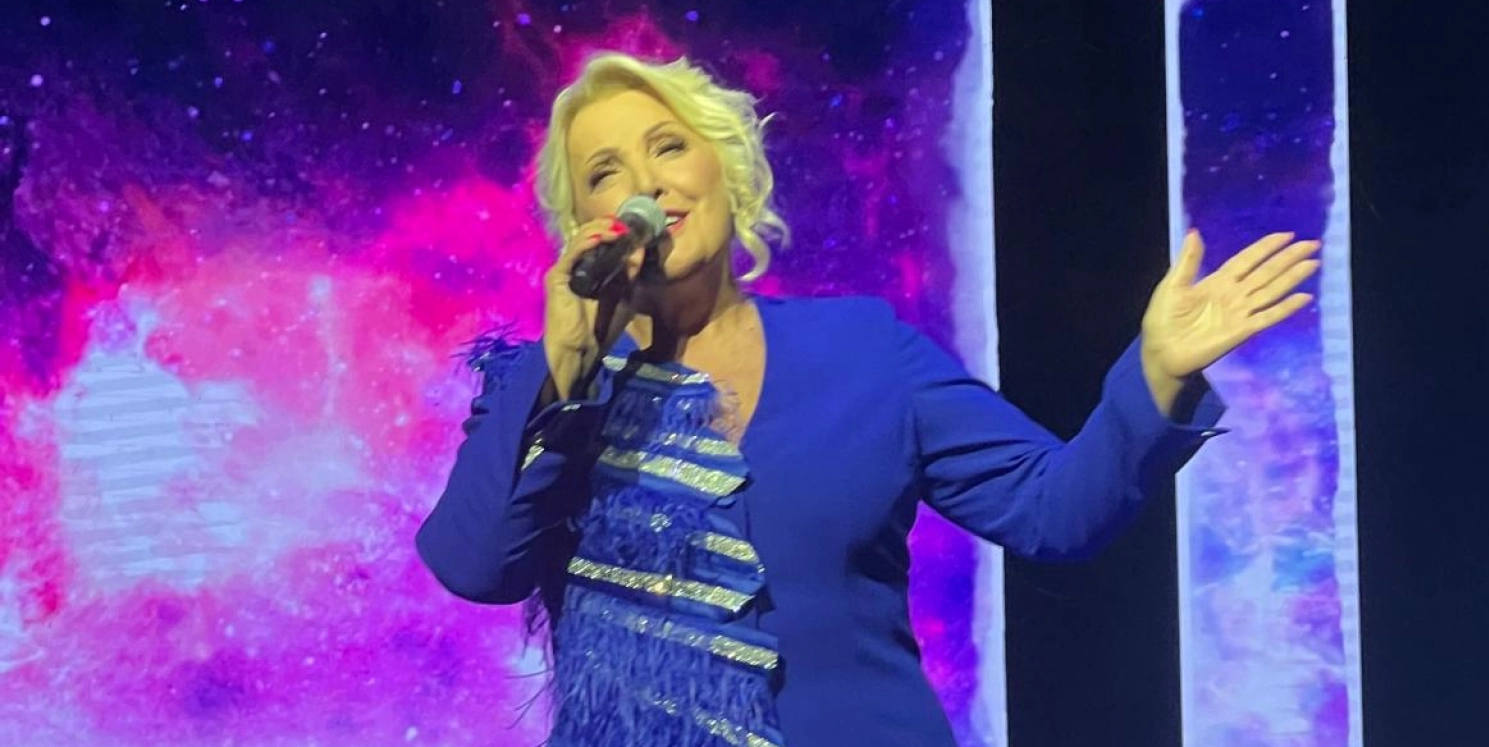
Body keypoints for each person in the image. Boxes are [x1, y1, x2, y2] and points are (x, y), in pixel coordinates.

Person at [414, 52, 1319, 747]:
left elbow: (1056, 509)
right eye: (605, 172)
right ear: (583, 223)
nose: (645, 183)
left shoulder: (864, 350)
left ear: (725, 168)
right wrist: (567, 361)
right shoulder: (546, 385)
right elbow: (475, 565)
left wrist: (1155, 372)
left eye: (668, 146)